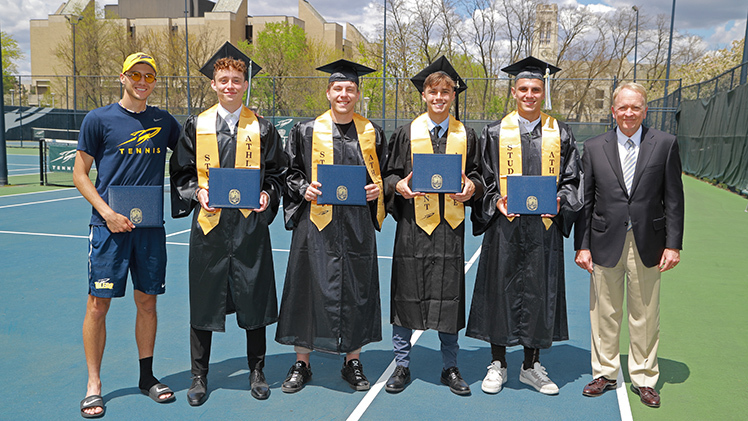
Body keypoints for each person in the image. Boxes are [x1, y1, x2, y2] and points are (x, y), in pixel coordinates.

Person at [169, 42, 286, 406]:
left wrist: (268, 193)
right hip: (210, 229)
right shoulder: (196, 125)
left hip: (250, 229)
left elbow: (279, 173)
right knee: (204, 302)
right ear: (214, 84)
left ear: (244, 85)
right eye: (224, 80)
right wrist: (195, 193)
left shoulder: (263, 128)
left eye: (237, 80)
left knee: (254, 299)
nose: (231, 86)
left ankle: (257, 371)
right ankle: (199, 377)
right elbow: (181, 173)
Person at [73, 52, 180, 418]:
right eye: (135, 74)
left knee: (148, 302)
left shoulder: (164, 121)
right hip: (108, 228)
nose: (142, 81)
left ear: (154, 81)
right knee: (97, 305)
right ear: (122, 77)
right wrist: (108, 213)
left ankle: (147, 377)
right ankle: (94, 384)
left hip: (149, 229)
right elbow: (80, 174)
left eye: (149, 76)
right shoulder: (98, 119)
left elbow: (196, 151)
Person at [467, 56, 582, 395]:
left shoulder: (559, 133)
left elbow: (573, 180)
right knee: (499, 289)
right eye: (524, 89)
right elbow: (483, 178)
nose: (530, 94)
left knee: (538, 291)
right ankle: (498, 362)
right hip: (505, 228)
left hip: (543, 229)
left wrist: (562, 200)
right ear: (514, 91)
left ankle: (531, 365)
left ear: (543, 93)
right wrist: (495, 201)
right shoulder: (494, 133)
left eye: (536, 89)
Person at [275, 59, 387, 393]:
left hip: (356, 227)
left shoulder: (371, 133)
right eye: (337, 88)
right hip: (316, 225)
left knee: (356, 291)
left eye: (349, 88)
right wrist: (301, 188)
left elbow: (384, 177)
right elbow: (288, 172)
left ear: (357, 94)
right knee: (306, 288)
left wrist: (378, 189)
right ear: (328, 92)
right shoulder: (306, 131)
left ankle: (352, 361)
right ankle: (302, 363)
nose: (343, 94)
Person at [574, 82, 684, 408]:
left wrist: (673, 245)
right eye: (622, 107)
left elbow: (674, 200)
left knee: (646, 314)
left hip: (649, 242)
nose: (629, 113)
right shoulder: (593, 147)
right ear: (613, 110)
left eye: (635, 107)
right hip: (604, 239)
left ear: (645, 110)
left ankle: (645, 377)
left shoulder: (664, 144)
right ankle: (605, 373)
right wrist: (583, 245)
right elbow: (586, 201)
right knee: (604, 313)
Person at [383, 56, 483, 396]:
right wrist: (398, 187)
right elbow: (388, 176)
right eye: (433, 91)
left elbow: (480, 177)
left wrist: (473, 188)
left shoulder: (466, 135)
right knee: (406, 293)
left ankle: (449, 366)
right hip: (413, 227)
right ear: (424, 95)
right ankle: (402, 364)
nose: (439, 97)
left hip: (449, 229)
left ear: (453, 96)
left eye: (446, 91)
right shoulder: (404, 134)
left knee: (448, 296)